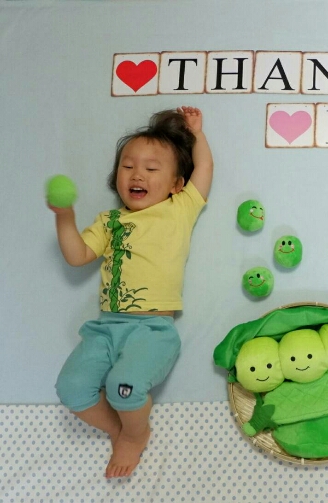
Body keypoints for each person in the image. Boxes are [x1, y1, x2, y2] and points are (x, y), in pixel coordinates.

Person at [48, 106, 213, 478]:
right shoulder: (109, 222)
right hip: (106, 328)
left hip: (152, 331)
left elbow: (203, 168)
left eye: (152, 169)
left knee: (123, 386)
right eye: (127, 166)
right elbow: (77, 255)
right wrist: (64, 217)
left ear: (176, 184)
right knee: (71, 389)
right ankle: (118, 429)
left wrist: (197, 134)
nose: (137, 174)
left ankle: (136, 434)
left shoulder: (179, 208)